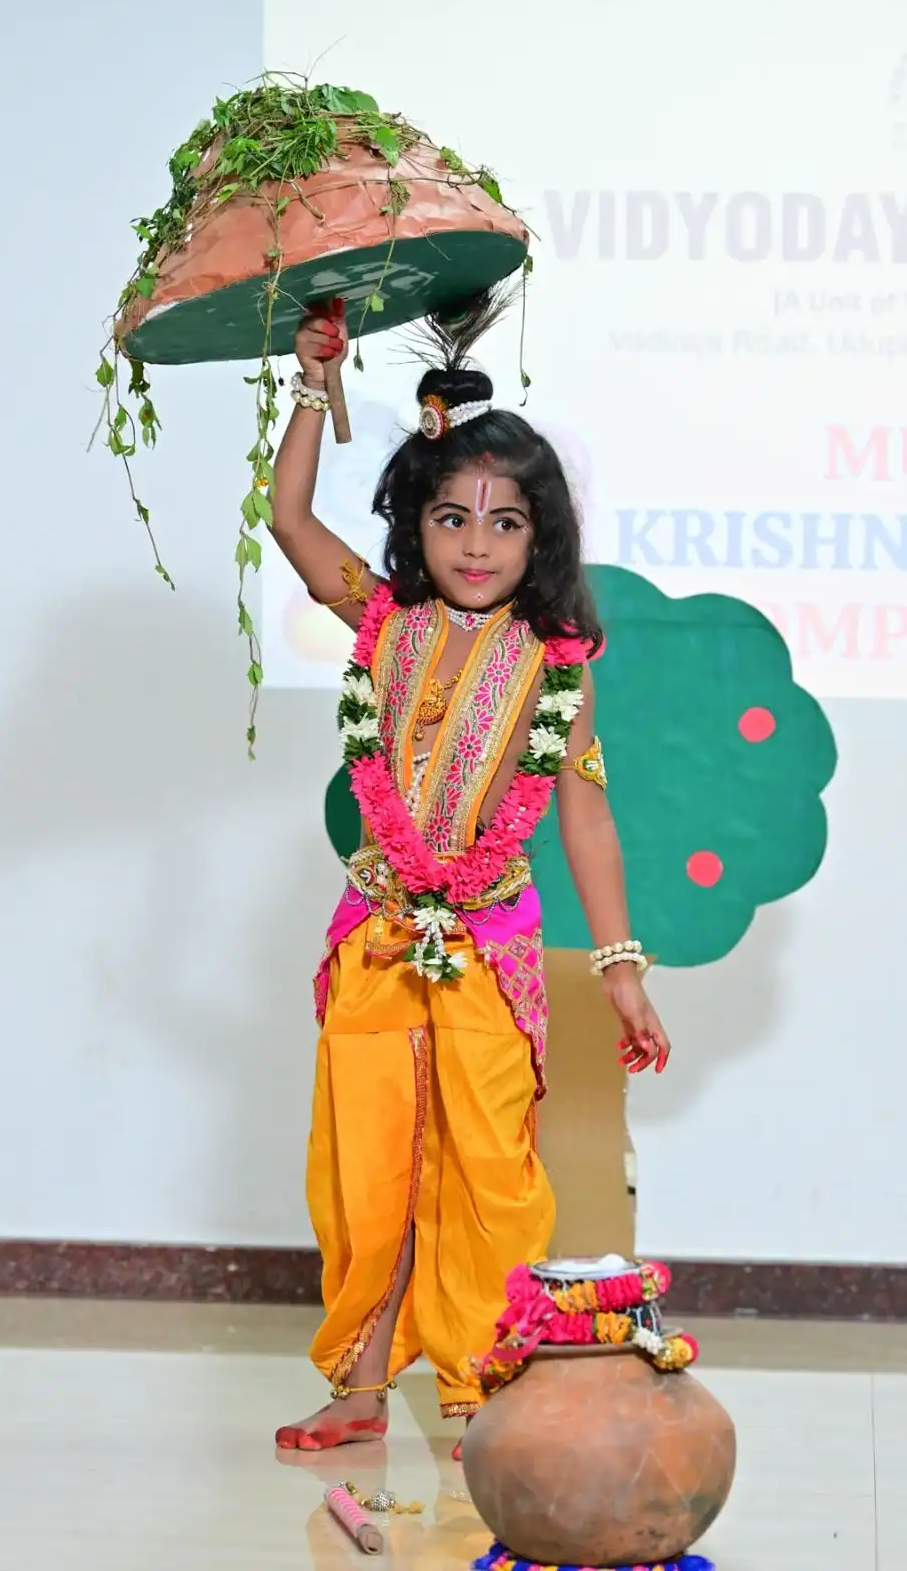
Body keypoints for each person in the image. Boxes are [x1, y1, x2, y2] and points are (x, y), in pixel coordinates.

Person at [271, 294, 670, 1457]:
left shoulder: (556, 666)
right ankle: (356, 1382)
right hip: (378, 935)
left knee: (490, 1167)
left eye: (504, 522)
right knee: (365, 1164)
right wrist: (312, 385)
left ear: (540, 537)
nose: (477, 544)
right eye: (452, 517)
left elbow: (584, 816)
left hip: (489, 947)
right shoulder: (381, 623)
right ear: (416, 526)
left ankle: (479, 1386)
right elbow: (291, 519)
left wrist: (621, 968)